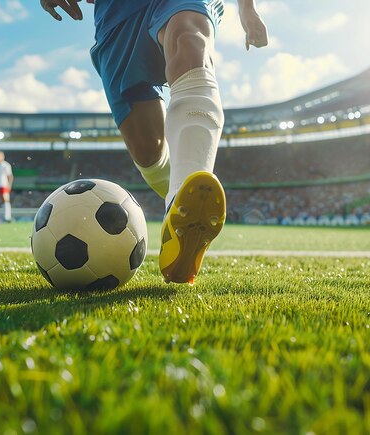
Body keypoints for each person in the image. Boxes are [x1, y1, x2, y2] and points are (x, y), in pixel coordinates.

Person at [41, 0, 267, 283]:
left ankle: (178, 218)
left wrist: (247, 9)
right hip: (116, 12)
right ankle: (180, 198)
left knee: (189, 37)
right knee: (148, 149)